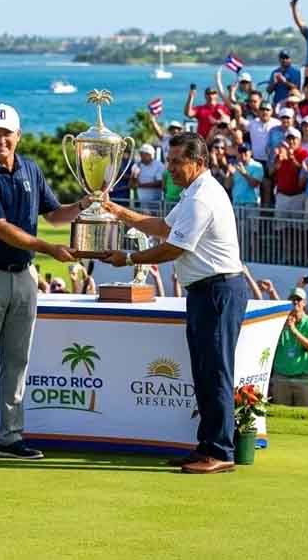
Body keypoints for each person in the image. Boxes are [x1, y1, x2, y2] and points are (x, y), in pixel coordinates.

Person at [101, 132, 246, 473]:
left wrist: (129, 258)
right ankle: (207, 446)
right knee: (204, 372)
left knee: (215, 372)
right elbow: (164, 227)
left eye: (177, 162)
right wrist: (118, 211)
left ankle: (220, 452)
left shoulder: (200, 199)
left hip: (217, 291)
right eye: (169, 161)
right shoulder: (193, 193)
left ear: (198, 162)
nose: (171, 168)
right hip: (206, 291)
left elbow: (173, 248)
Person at [0, 104, 85, 463]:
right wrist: (47, 247)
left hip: (23, 275)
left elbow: (55, 214)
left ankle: (11, 436)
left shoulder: (30, 169)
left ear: (18, 135)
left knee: (17, 360)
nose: (1, 139)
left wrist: (84, 204)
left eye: (7, 133)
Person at [271, 287, 308, 407]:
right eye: (293, 299)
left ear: (305, 302)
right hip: (281, 377)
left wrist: (293, 330)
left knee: (306, 416)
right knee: (280, 416)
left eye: (298, 299)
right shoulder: (280, 321)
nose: (295, 302)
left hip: (303, 378)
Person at [274, 128, 308, 212]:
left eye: (294, 139)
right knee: (281, 225)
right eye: (289, 139)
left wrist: (292, 158)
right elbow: (272, 172)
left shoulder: (304, 154)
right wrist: (278, 160)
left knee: (296, 224)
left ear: (300, 140)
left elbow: (304, 171)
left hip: (298, 196)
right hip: (282, 196)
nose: (291, 141)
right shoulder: (281, 154)